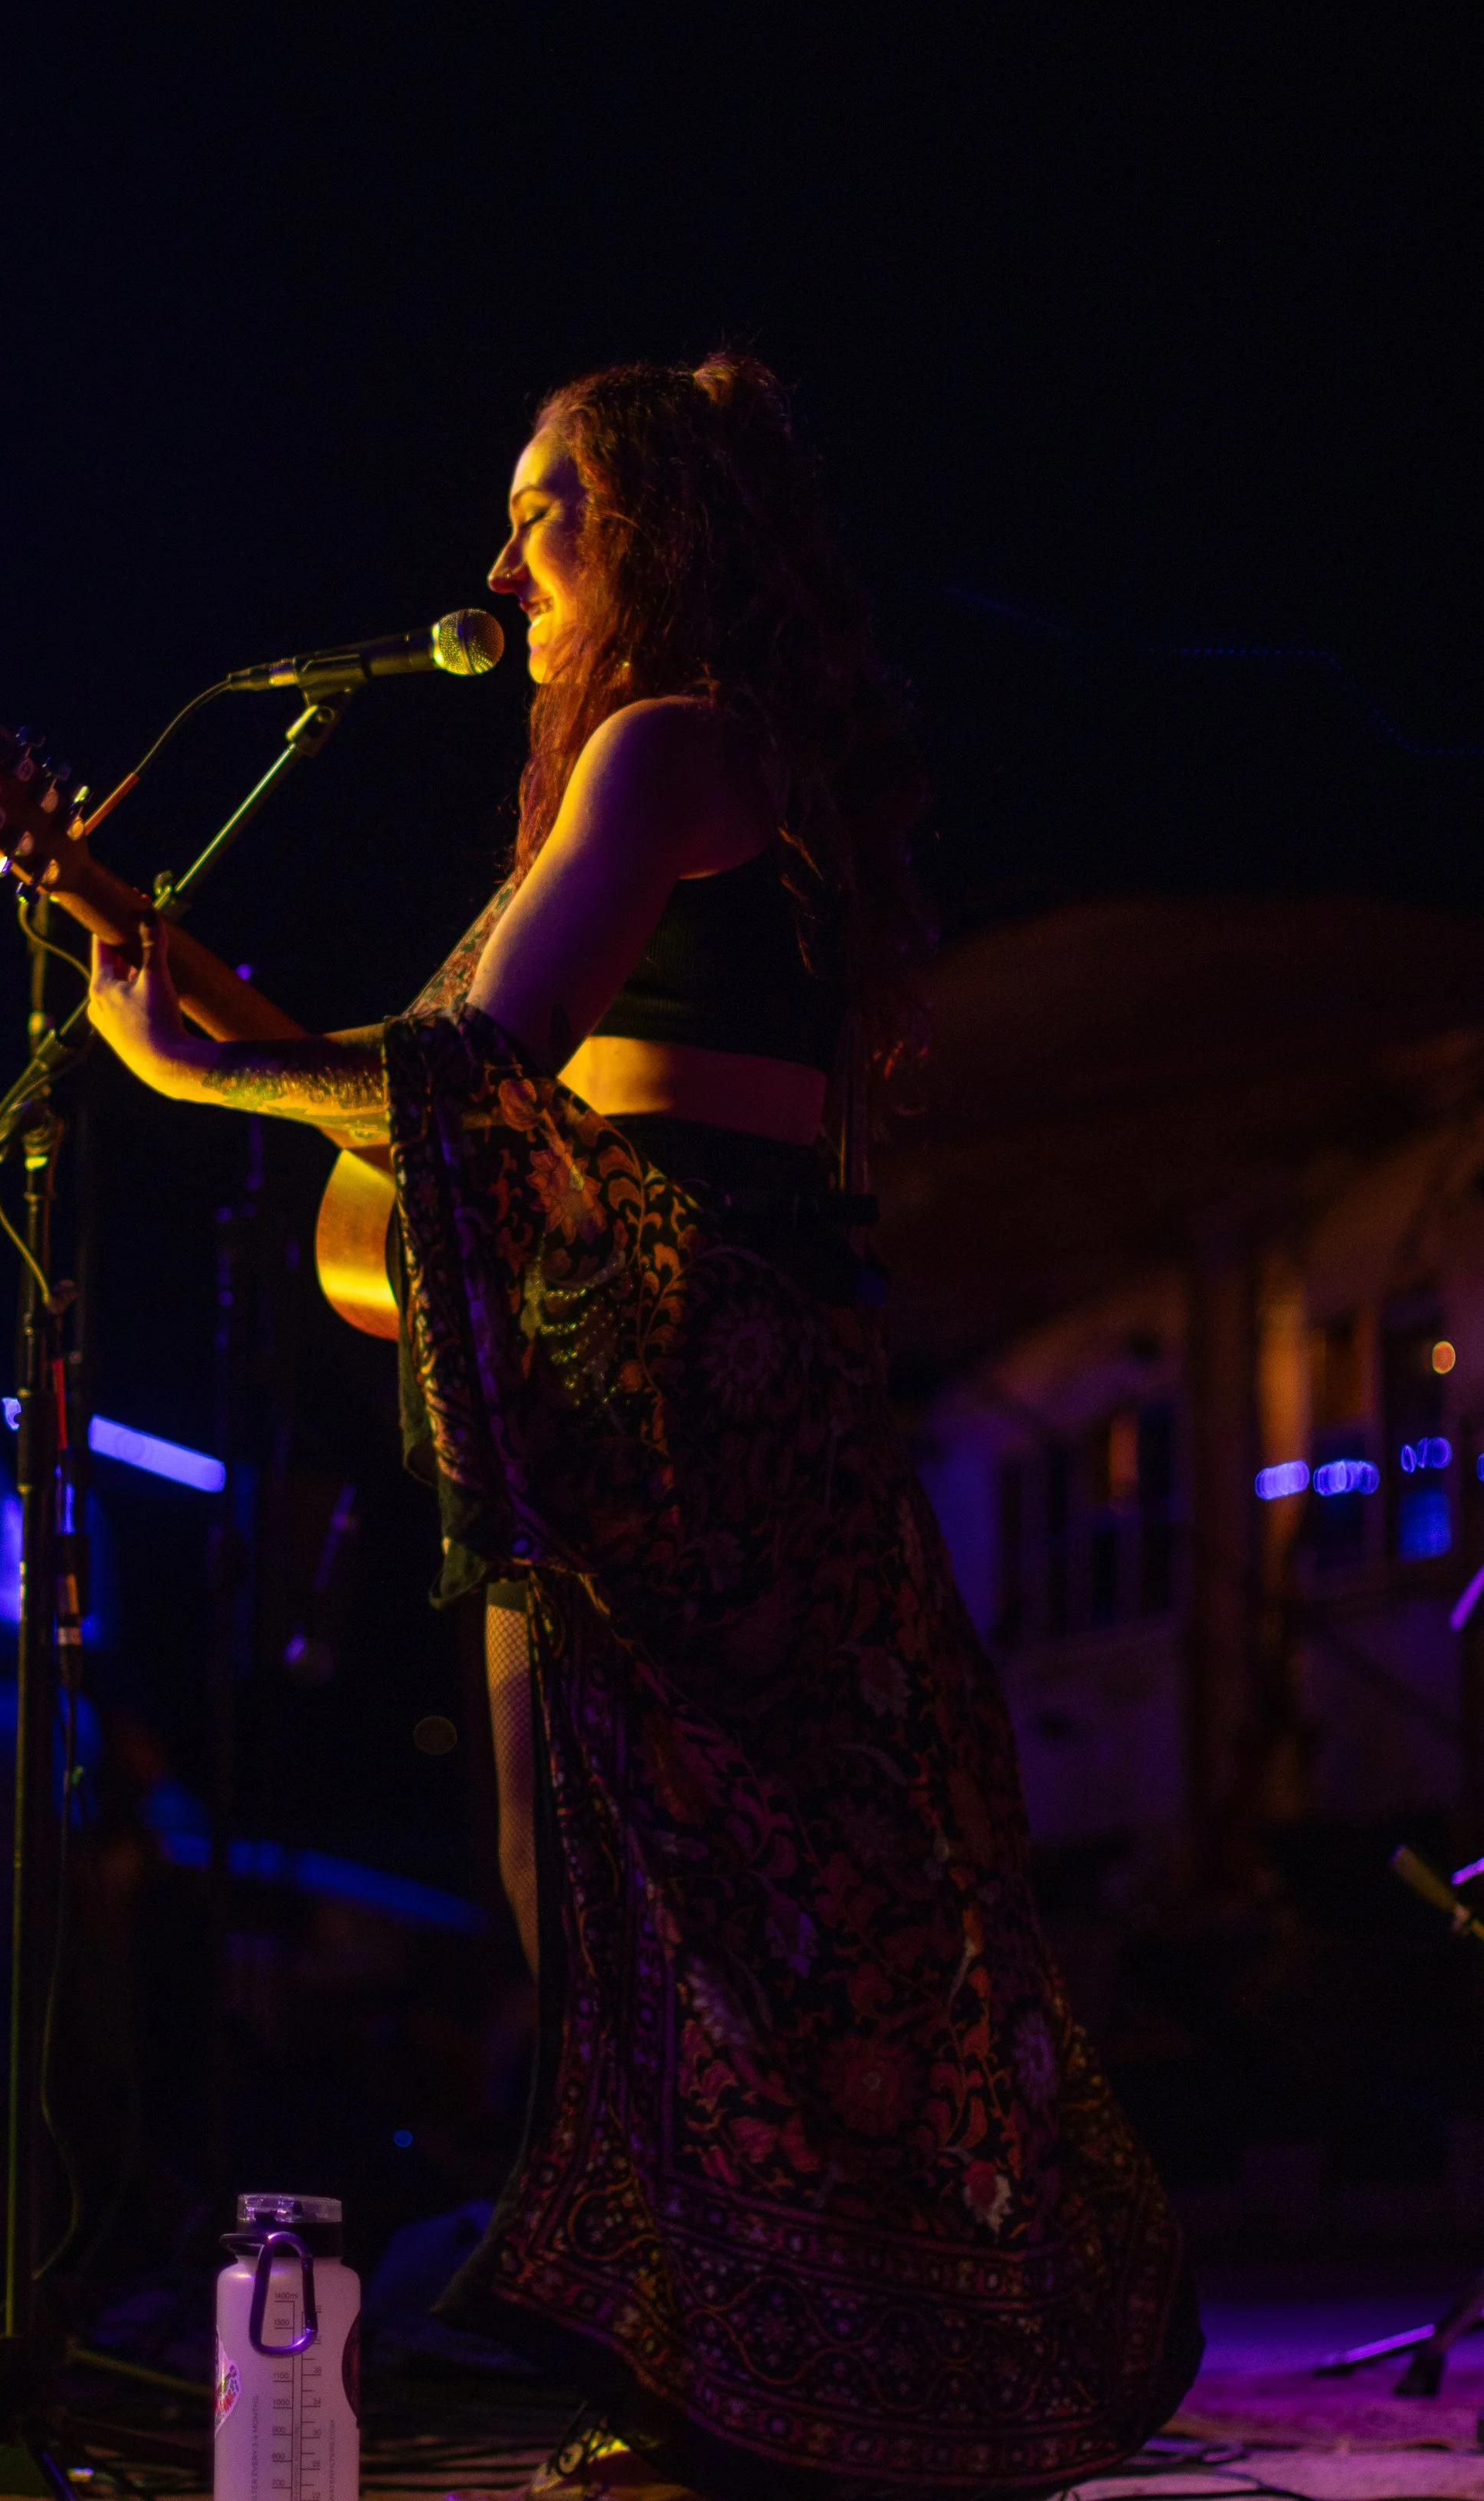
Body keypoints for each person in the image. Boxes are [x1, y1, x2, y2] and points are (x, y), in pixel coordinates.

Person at [87, 355, 1200, 2501]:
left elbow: (476, 1075)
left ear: (663, 529)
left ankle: (779, 2375)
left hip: (701, 1382)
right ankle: (728, 2362)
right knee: (579, 1864)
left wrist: (195, 1070)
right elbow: (412, 1079)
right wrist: (131, 945)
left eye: (547, 504)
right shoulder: (614, 776)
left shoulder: (678, 743)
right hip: (613, 1381)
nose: (501, 557)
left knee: (701, 1874)